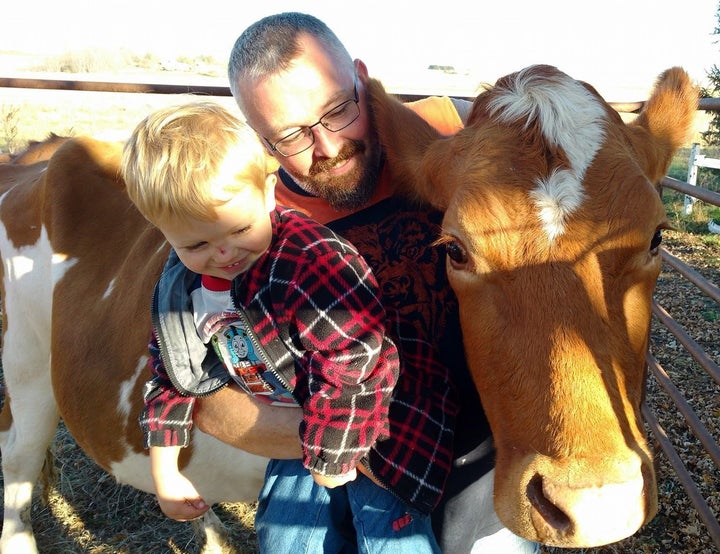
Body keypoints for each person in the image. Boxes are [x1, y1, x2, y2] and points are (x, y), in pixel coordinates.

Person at [216, 12, 539, 554]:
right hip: (342, 480)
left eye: (339, 110)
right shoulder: (246, 227)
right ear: (261, 140)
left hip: (485, 457)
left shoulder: (450, 141)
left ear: (363, 79)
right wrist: (336, 437)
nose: (328, 146)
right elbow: (208, 398)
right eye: (291, 135)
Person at [121, 101, 442, 551]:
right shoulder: (182, 291)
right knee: (286, 538)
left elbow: (357, 354)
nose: (224, 254)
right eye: (196, 243)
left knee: (389, 536)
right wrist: (166, 469)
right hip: (301, 429)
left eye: (240, 229)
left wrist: (334, 447)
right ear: (163, 232)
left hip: (373, 420)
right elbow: (174, 372)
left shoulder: (310, 261)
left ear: (268, 193)